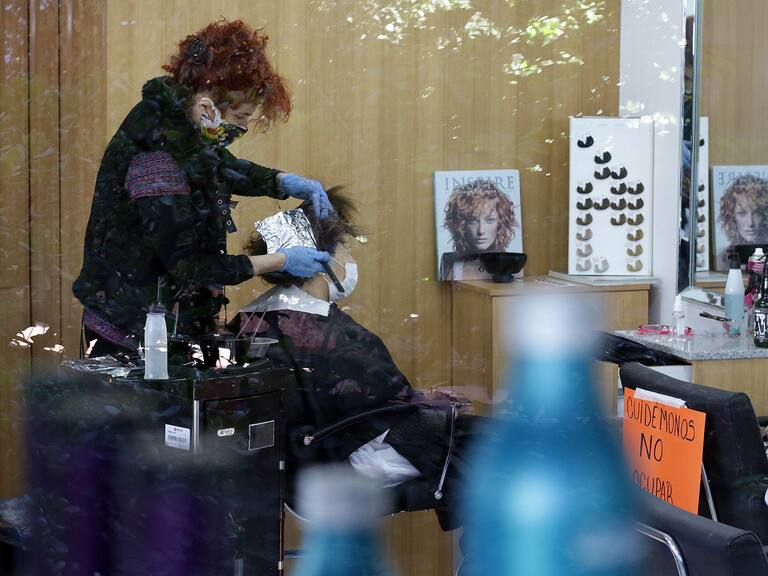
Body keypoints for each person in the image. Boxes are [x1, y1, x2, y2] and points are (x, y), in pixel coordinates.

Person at [73, 20, 333, 358]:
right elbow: (186, 262)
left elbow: (217, 165)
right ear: (207, 102)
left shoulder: (183, 129)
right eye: (239, 116)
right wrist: (280, 259)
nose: (240, 128)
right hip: (130, 331)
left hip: (163, 322)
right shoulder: (157, 151)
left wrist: (281, 181)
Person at [232, 188, 486, 532]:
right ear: (321, 258)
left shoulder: (252, 319)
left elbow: (348, 397)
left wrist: (421, 399)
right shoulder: (332, 335)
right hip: (345, 460)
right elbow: (383, 409)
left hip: (299, 466)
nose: (350, 258)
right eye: (346, 247)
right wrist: (426, 406)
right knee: (510, 448)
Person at [440, 180, 518, 281]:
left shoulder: (514, 267)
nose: (481, 231)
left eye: (490, 220)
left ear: (501, 223)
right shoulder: (454, 269)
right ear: (462, 225)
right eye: (473, 221)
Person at [717, 174, 768, 270]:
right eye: (742, 213)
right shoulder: (722, 259)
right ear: (732, 217)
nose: (750, 223)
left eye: (756, 213)